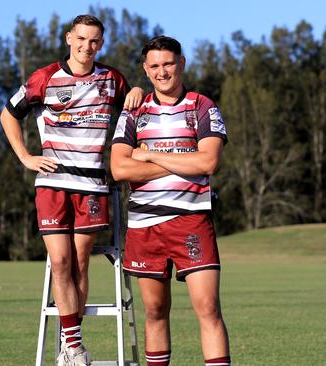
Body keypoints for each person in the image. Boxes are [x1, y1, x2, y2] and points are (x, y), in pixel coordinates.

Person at [0, 14, 144, 366]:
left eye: (94, 41)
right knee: (60, 262)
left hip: (92, 185)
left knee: (80, 263)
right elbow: (8, 114)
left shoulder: (111, 79)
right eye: (80, 39)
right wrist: (25, 157)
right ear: (68, 38)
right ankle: (74, 346)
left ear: (101, 43)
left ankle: (71, 343)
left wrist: (138, 90)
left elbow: (139, 112)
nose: (86, 47)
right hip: (53, 183)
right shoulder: (44, 77)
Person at [110, 35, 231, 366]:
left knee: (207, 308)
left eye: (168, 64)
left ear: (182, 64)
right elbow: (120, 167)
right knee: (155, 311)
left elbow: (207, 163)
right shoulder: (135, 112)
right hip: (145, 225)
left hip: (191, 220)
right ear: (146, 70)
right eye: (155, 66)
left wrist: (149, 156)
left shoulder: (202, 106)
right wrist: (180, 163)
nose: (162, 72)